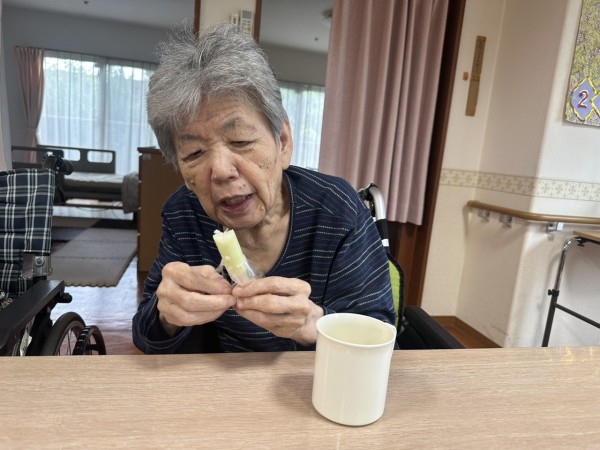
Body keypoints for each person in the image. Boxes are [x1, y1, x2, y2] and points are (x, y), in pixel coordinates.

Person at [132, 23, 396, 353]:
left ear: (282, 142)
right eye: (195, 153)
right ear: (183, 171)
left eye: (240, 141)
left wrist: (313, 323)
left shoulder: (336, 210)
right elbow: (147, 335)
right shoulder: (184, 213)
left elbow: (379, 337)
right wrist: (168, 315)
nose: (221, 172)